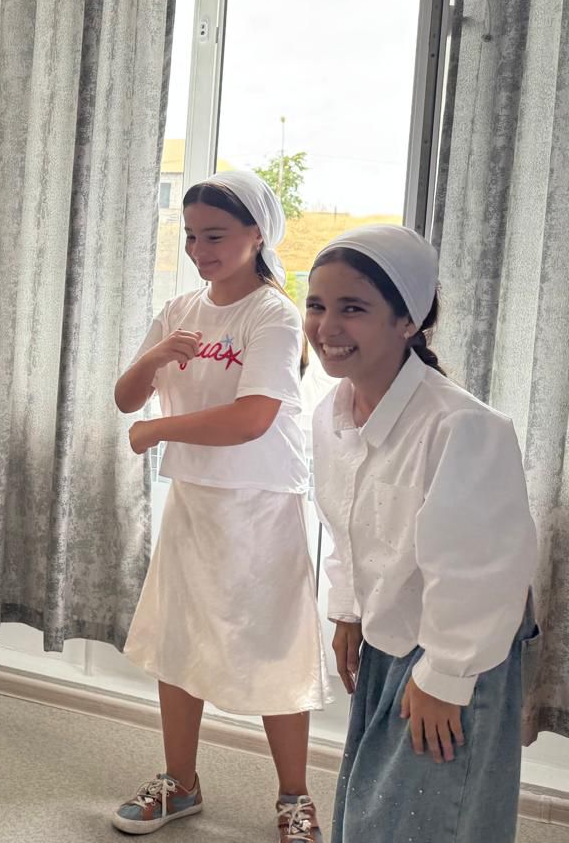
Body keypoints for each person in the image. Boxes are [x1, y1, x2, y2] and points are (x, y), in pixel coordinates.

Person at [112, 171, 328, 840]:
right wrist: (153, 358)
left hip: (261, 504)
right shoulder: (180, 309)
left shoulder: (273, 314)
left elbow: (252, 418)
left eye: (215, 235)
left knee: (273, 646)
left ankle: (294, 798)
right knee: (179, 640)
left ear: (256, 234)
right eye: (190, 235)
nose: (198, 249)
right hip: (195, 501)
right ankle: (180, 783)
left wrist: (157, 430)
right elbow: (125, 398)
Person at [306, 224, 538, 843]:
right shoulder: (331, 415)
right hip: (390, 632)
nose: (327, 326)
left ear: (407, 321)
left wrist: (447, 677)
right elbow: (345, 525)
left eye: (353, 308)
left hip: (455, 648)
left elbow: (485, 572)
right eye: (317, 305)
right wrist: (348, 610)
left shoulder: (463, 427)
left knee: (429, 820)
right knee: (372, 811)